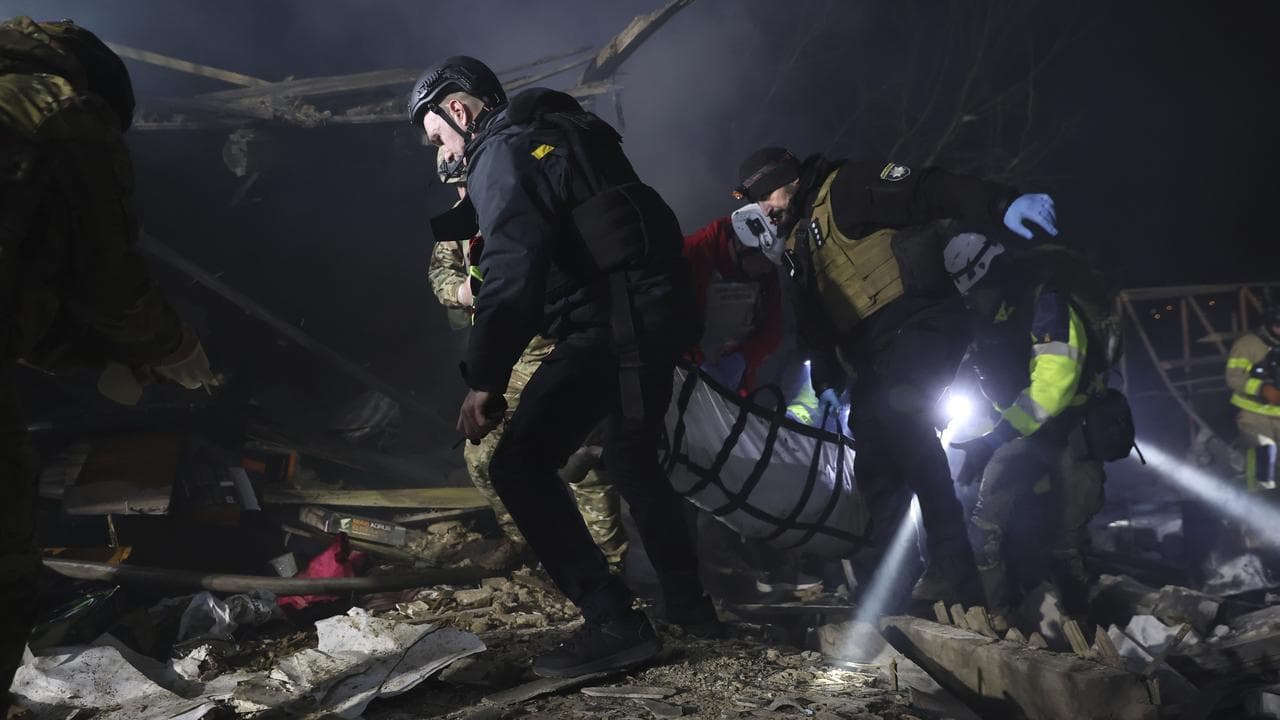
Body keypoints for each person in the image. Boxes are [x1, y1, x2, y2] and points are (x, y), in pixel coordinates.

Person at [409, 56, 716, 678]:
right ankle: (691, 608)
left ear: (459, 111)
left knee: (517, 464)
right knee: (632, 458)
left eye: (436, 135)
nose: (438, 152)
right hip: (655, 316)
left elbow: (512, 274)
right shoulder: (569, 134)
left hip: (610, 326)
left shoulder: (504, 152)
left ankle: (613, 622)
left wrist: (484, 379)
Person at [0, 17, 217, 709]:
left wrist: (96, 360)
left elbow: (22, 309)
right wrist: (171, 345)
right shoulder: (62, 108)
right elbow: (110, 280)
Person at [736, 146, 1059, 604]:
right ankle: (890, 581)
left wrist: (1000, 203)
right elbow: (811, 317)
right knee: (872, 447)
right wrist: (827, 374)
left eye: (767, 193)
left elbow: (926, 189)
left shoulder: (844, 188)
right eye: (756, 200)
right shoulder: (796, 243)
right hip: (875, 350)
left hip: (924, 319)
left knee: (900, 411)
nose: (765, 206)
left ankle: (954, 563)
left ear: (787, 178)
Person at [426, 158, 628, 571]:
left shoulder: (522, 211)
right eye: (457, 190)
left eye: (468, 186)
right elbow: (439, 273)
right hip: (505, 358)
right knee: (481, 458)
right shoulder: (458, 223)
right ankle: (527, 542)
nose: (464, 197)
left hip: (556, 347)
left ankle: (611, 565)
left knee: (580, 462)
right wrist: (462, 292)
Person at [944, 236, 1111, 618]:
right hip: (1022, 436)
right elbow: (994, 389)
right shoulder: (987, 322)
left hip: (1070, 434)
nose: (973, 302)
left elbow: (1054, 386)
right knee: (984, 532)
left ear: (996, 278)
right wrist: (977, 438)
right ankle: (997, 621)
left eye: (977, 292)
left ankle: (1085, 628)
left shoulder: (1047, 305)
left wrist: (996, 439)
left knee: (1064, 546)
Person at [682, 206, 783, 395]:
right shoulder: (692, 254)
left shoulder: (765, 273)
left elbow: (773, 331)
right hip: (683, 374)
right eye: (763, 262)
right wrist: (696, 361)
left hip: (734, 387)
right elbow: (665, 321)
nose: (767, 270)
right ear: (741, 246)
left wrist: (744, 358)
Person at [1225, 289, 1280, 491]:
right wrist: (1262, 389)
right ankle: (1257, 501)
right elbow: (1233, 378)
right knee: (1264, 453)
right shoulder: (1248, 344)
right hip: (1253, 415)